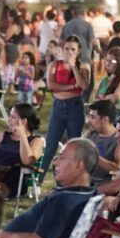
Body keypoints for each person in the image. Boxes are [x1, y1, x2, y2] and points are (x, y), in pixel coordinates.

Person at [0, 139, 98, 238]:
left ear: (79, 165)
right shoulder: (88, 193)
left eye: (62, 158)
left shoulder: (65, 201)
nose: (55, 163)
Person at [38, 36, 92, 177]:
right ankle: (38, 178)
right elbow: (51, 86)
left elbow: (84, 85)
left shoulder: (84, 66)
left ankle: (72, 177)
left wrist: (73, 66)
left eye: (73, 49)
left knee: (74, 144)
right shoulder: (54, 65)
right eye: (67, 48)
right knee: (50, 145)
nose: (69, 52)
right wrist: (73, 86)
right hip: (59, 106)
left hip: (75, 106)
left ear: (78, 51)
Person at [84, 99, 120, 186]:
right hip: (83, 182)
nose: (88, 121)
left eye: (92, 117)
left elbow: (118, 169)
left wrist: (93, 155)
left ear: (104, 119)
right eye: (89, 116)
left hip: (102, 187)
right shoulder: (89, 133)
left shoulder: (119, 140)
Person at [94, 46, 120, 110]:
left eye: (112, 61)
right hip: (101, 114)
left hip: (117, 116)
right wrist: (105, 98)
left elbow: (116, 97)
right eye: (107, 60)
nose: (108, 64)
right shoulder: (105, 80)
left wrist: (101, 98)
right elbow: (95, 99)